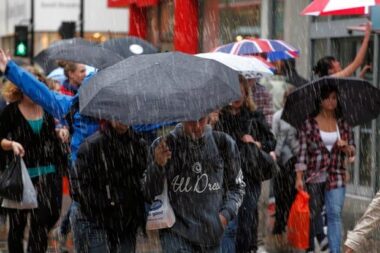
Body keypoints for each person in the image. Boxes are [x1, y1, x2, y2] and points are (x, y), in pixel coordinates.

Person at [143, 116, 245, 253]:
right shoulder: (164, 146)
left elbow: (238, 187)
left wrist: (225, 215)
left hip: (211, 235)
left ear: (209, 116)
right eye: (191, 120)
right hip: (176, 234)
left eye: (201, 120)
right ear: (182, 117)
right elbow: (148, 193)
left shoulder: (223, 143)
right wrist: (158, 166)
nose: (197, 126)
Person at [0, 74, 66, 253]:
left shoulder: (49, 109)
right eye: (29, 86)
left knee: (43, 222)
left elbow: (62, 125)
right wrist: (11, 144)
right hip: (20, 176)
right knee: (17, 226)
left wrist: (61, 131)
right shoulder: (11, 112)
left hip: (48, 174)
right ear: (21, 88)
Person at [216, 76, 276, 253]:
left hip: (249, 175)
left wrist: (257, 144)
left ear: (246, 93)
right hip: (226, 176)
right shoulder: (219, 117)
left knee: (246, 222)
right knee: (229, 224)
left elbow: (271, 141)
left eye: (241, 93)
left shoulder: (254, 116)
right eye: (234, 92)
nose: (237, 97)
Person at [69, 120, 148, 252]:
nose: (122, 119)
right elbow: (78, 185)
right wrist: (107, 202)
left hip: (126, 221)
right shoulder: (92, 145)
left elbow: (143, 180)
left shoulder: (138, 144)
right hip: (94, 219)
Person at [295, 84, 356, 253]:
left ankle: (334, 250)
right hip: (314, 175)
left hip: (336, 174)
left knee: (334, 215)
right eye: (327, 97)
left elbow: (352, 151)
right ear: (320, 100)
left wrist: (346, 148)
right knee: (313, 215)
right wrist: (299, 177)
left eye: (334, 98)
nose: (331, 101)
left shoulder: (343, 124)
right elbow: (302, 153)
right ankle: (311, 247)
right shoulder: (309, 124)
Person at [271, 86, 299, 243]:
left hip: (295, 163)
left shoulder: (301, 117)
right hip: (281, 163)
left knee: (292, 197)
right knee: (281, 197)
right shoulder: (277, 116)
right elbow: (274, 137)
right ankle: (280, 229)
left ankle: (288, 230)